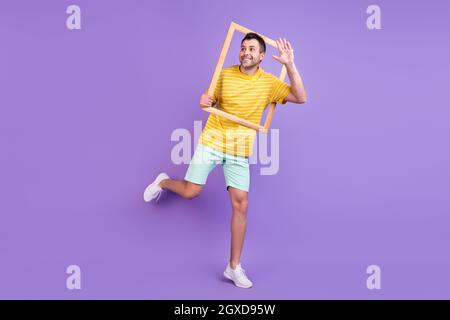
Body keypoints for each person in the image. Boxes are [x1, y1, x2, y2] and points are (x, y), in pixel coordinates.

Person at [143, 33, 307, 289]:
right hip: (212, 140)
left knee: (241, 205)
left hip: (239, 149)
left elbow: (301, 97)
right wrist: (204, 100)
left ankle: (234, 267)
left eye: (252, 49)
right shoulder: (225, 73)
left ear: (262, 56)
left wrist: (289, 64)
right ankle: (164, 182)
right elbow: (209, 100)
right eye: (243, 48)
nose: (246, 52)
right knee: (191, 191)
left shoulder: (270, 83)